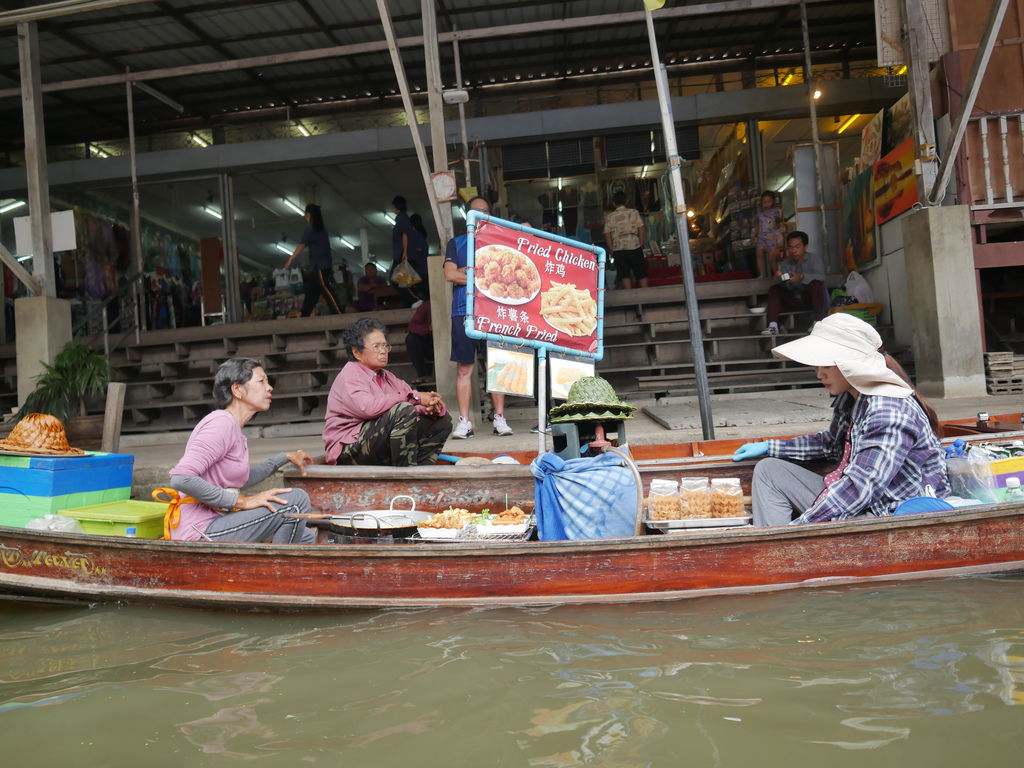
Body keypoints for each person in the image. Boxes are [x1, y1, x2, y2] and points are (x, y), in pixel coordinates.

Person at [732, 313, 949, 527]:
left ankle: (778, 547)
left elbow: (860, 489)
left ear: (852, 364)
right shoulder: (852, 397)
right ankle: (775, 549)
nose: (819, 374)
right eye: (817, 366)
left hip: (890, 514)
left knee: (796, 526)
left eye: (826, 366)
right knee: (769, 470)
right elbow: (830, 444)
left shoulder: (888, 411)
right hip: (861, 501)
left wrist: (799, 527)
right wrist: (771, 446)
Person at [168, 358, 316, 544]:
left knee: (305, 536)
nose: (269, 388)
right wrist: (241, 502)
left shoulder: (233, 428)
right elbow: (181, 478)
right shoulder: (221, 423)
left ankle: (268, 568)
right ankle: (278, 568)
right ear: (237, 389)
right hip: (200, 531)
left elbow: (242, 477)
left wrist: (283, 458)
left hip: (219, 521)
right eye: (261, 381)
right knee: (295, 501)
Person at [323, 317, 451, 466]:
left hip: (373, 444)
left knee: (442, 419)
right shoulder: (350, 375)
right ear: (357, 352)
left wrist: (431, 407)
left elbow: (411, 401)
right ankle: (406, 473)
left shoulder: (386, 376)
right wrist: (417, 397)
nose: (383, 351)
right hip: (347, 450)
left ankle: (421, 469)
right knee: (403, 410)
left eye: (385, 346)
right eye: (376, 346)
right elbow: (369, 408)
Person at [443, 196, 514, 438]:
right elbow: (450, 275)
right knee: (464, 368)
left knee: (497, 367)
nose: (481, 215)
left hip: (493, 312)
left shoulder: (500, 242)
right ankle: (464, 422)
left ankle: (500, 419)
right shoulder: (457, 243)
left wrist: (468, 271)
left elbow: (504, 277)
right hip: (463, 312)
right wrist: (484, 274)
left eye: (485, 211)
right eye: (476, 212)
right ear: (468, 217)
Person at [762, 230, 827, 335]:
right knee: (774, 289)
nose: (794, 251)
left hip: (810, 300)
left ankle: (818, 323)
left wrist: (801, 277)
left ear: (805, 247)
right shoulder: (785, 263)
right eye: (791, 247)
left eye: (797, 247)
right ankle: (773, 326)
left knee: (816, 284)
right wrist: (779, 277)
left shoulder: (814, 259)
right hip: (794, 299)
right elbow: (781, 283)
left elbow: (821, 277)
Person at [282, 203, 342, 317]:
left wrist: (290, 259)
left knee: (325, 289)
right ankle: (304, 314)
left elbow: (302, 245)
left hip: (320, 266)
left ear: (308, 214)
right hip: (321, 265)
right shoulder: (321, 228)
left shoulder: (311, 228)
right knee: (313, 292)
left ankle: (338, 312)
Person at [603, 191, 647, 289]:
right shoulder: (634, 212)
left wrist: (611, 248)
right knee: (641, 273)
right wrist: (640, 242)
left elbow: (607, 233)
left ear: (614, 203)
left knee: (624, 274)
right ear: (626, 201)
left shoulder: (610, 216)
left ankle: (630, 300)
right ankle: (646, 299)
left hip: (619, 248)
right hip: (634, 245)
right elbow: (641, 228)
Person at [753, 190, 784, 279]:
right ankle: (762, 274)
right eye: (764, 202)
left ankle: (776, 274)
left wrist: (781, 230)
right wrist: (754, 236)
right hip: (761, 238)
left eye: (768, 201)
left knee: (772, 258)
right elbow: (757, 226)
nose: (766, 204)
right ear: (761, 203)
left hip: (772, 239)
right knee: (759, 254)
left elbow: (779, 223)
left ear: (773, 202)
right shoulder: (759, 215)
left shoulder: (775, 212)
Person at [405, 299, 433, 385]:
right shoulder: (426, 306)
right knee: (411, 339)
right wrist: (428, 329)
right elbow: (412, 327)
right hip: (429, 346)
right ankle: (422, 375)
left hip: (447, 346)